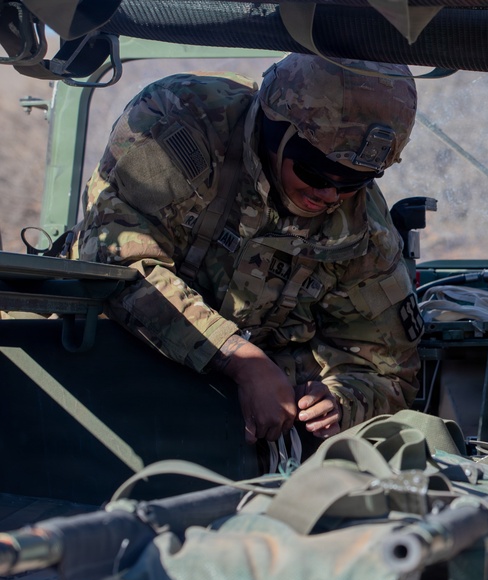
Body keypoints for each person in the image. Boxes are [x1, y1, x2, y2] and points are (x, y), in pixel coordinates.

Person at [67, 53, 424, 449]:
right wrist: (240, 360)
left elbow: (390, 370)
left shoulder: (363, 230)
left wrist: (342, 401)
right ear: (277, 135)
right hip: (115, 370)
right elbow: (116, 262)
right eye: (314, 173)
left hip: (247, 423)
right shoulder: (182, 124)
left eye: (355, 181)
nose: (330, 196)